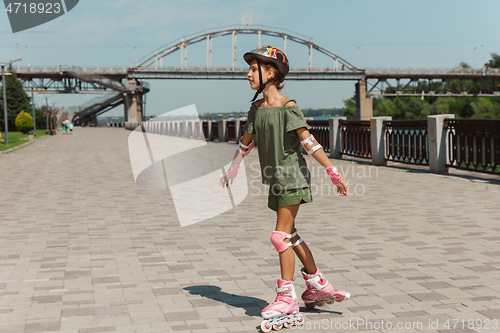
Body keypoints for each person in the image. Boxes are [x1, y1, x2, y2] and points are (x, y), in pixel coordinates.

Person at [219, 46, 350, 332]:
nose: (248, 74)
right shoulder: (256, 109)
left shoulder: (288, 107)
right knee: (290, 234)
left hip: (293, 177)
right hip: (274, 179)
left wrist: (333, 172)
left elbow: (309, 142)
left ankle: (286, 297)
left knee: (279, 237)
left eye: (253, 69)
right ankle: (317, 283)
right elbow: (247, 142)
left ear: (271, 73)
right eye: (250, 68)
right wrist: (233, 167)